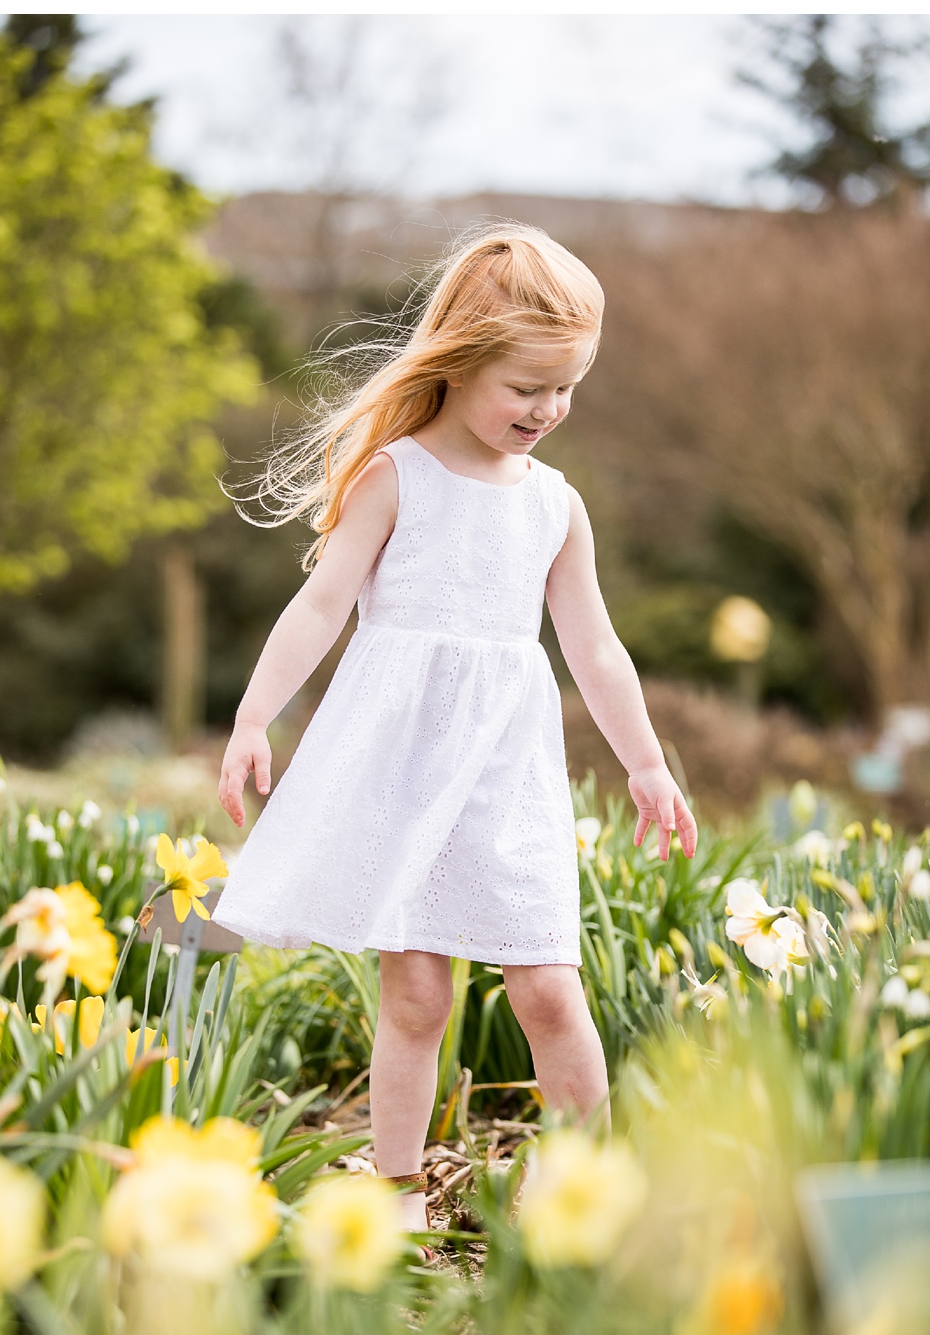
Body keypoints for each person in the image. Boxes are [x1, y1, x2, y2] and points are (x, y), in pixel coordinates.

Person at [212, 223, 696, 1244]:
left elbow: (595, 650)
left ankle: (588, 1197)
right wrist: (256, 716)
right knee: (418, 992)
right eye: (527, 385)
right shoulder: (398, 476)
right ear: (463, 361)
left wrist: (647, 764)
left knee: (549, 989)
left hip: (507, 776)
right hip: (403, 770)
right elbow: (320, 606)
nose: (548, 410)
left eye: (567, 387)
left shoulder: (555, 509)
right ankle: (393, 1193)